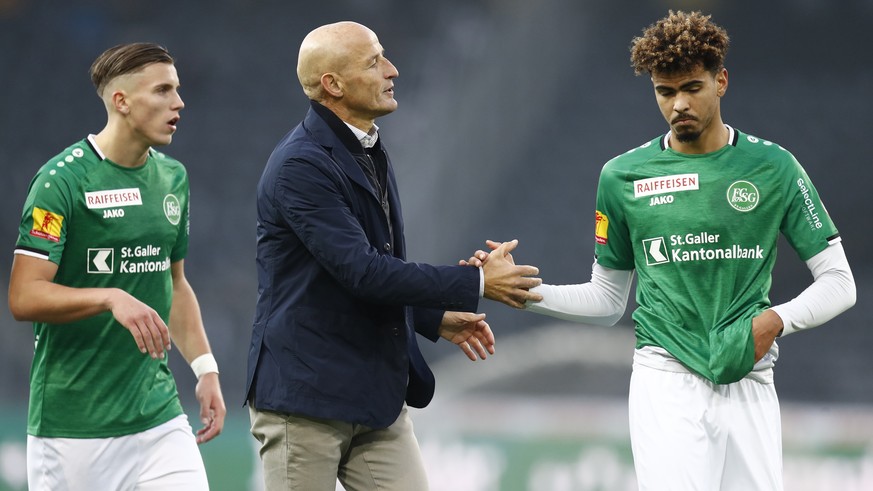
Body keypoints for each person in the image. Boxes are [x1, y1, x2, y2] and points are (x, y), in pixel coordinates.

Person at [467, 10, 856, 490]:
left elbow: (840, 282)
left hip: (749, 375)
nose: (678, 105)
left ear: (722, 81)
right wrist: (525, 292)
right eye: (665, 92)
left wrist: (775, 321)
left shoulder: (774, 167)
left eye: (691, 87)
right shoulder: (622, 177)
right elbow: (608, 301)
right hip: (666, 377)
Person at [245, 21, 542, 491]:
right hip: (307, 397)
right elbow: (362, 272)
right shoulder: (300, 165)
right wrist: (479, 284)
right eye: (374, 62)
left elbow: (360, 269)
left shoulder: (365, 146)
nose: (392, 70)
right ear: (333, 85)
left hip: (373, 393)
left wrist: (431, 315)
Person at [8, 42, 226, 490]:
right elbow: (24, 295)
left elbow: (175, 283)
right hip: (73, 428)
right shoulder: (60, 183)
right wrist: (110, 297)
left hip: (158, 415)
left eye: (178, 89)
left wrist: (205, 368)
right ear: (121, 101)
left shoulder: (173, 179)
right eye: (163, 90)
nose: (179, 102)